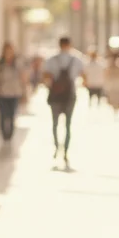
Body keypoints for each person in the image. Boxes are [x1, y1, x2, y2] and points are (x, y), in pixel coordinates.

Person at [42, 36, 85, 165]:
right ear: (69, 45)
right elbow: (83, 75)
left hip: (55, 95)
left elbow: (45, 76)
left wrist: (53, 85)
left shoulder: (51, 59)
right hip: (69, 96)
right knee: (68, 125)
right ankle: (65, 150)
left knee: (55, 124)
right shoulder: (76, 59)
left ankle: (57, 147)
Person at [0, 43, 25, 149]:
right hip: (2, 93)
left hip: (15, 93)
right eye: (6, 51)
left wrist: (24, 92)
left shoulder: (17, 63)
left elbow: (23, 77)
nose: (8, 53)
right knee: (3, 115)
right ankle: (4, 134)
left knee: (12, 115)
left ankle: (10, 135)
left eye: (10, 51)